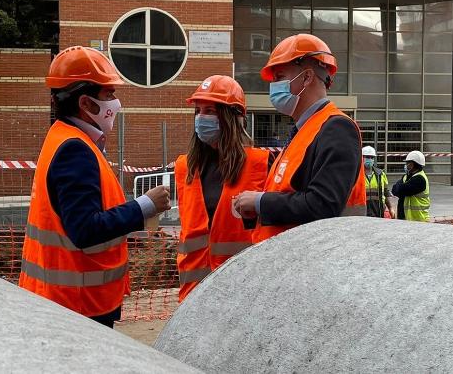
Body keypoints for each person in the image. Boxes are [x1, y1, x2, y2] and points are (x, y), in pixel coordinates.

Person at [18, 46, 171, 327]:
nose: (115, 102)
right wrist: (145, 205)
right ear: (86, 103)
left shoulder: (65, 138)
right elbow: (85, 229)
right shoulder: (74, 150)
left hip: (68, 301)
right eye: (109, 94)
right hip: (77, 307)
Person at [233, 34, 366, 241]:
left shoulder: (337, 128)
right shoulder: (303, 131)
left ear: (306, 77)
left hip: (319, 261)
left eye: (279, 77)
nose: (273, 86)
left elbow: (323, 204)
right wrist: (256, 208)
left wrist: (260, 202)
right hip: (296, 260)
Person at [174, 75, 270, 301]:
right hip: (193, 291)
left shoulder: (259, 164)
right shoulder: (185, 167)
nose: (201, 118)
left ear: (231, 117)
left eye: (209, 111)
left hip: (241, 287)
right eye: (198, 111)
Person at [391, 150, 430, 221]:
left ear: (414, 164)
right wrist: (399, 187)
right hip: (406, 218)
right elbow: (394, 190)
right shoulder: (407, 176)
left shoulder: (420, 179)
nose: (406, 165)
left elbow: (402, 189)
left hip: (418, 219)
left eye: (408, 162)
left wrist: (399, 186)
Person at [362, 146, 389, 218]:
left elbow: (386, 193)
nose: (370, 159)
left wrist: (391, 208)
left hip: (378, 211)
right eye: (367, 157)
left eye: (372, 157)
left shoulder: (380, 174)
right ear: (362, 158)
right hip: (362, 212)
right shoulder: (357, 174)